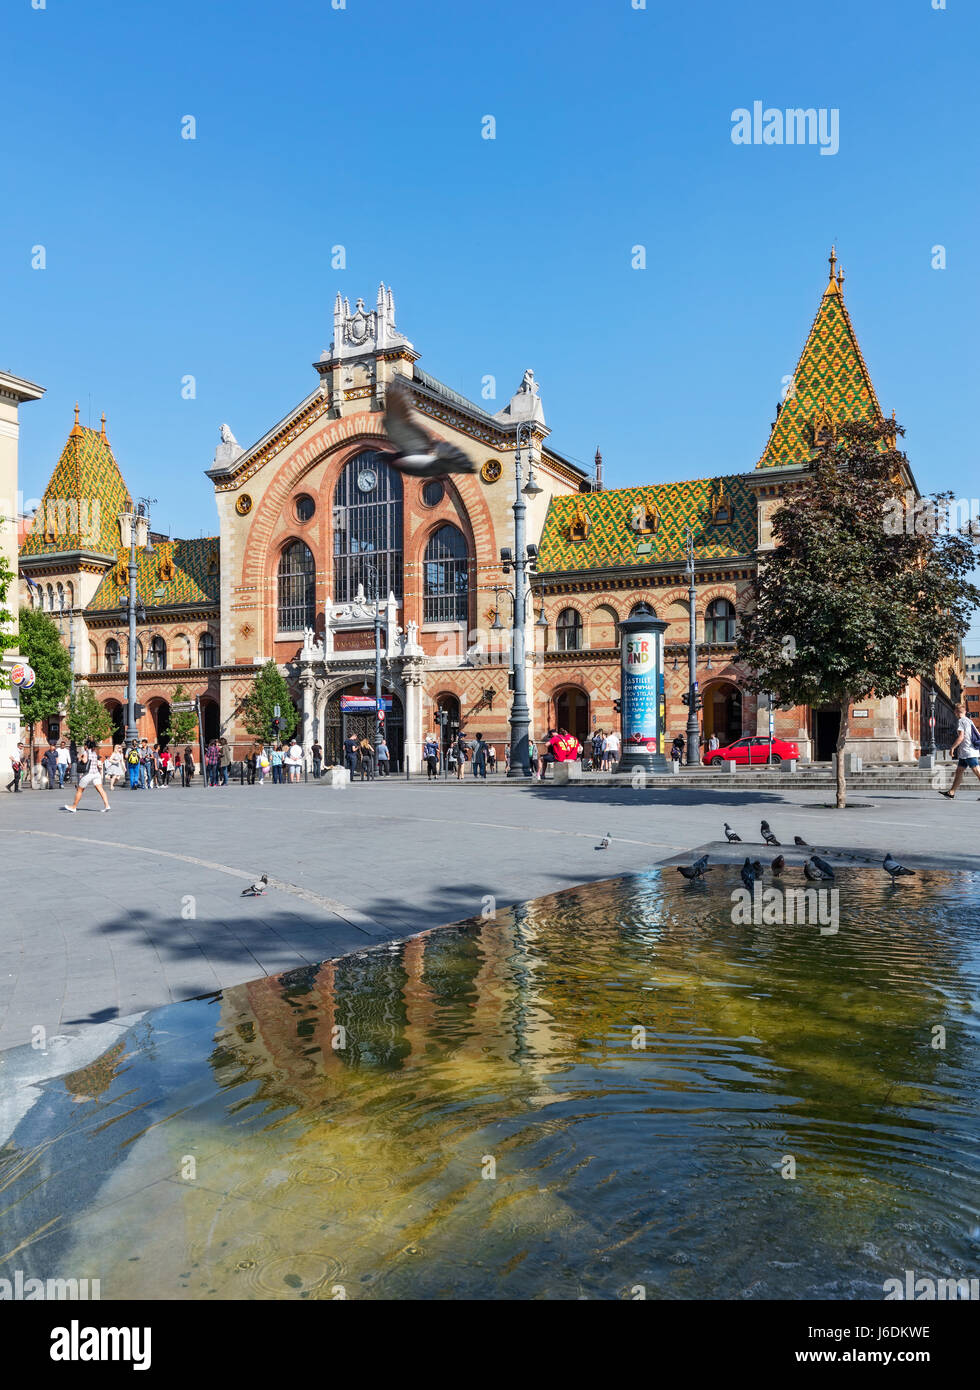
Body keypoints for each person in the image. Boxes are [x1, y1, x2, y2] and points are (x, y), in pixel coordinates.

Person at [938, 702, 980, 800]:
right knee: (959, 771)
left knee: (977, 771)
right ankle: (951, 792)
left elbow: (961, 737)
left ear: (956, 712)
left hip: (968, 752)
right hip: (965, 752)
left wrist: (952, 748)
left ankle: (951, 792)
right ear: (964, 711)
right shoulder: (969, 721)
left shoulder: (961, 721)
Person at [61, 739, 110, 813]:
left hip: (88, 774)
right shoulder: (94, 753)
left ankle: (74, 807)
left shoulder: (86, 752)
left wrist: (81, 757)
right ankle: (107, 805)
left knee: (80, 790)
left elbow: (84, 761)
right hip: (96, 773)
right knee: (101, 790)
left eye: (84, 745)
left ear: (86, 746)